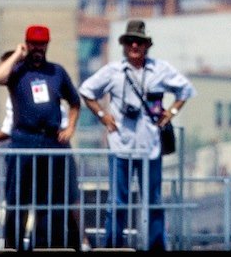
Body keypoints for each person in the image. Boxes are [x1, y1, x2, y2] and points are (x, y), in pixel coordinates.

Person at [79, 19, 195, 251]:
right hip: (120, 145)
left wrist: (171, 112)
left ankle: (155, 246)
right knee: (118, 203)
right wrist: (103, 115)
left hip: (149, 147)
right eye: (130, 42)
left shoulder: (160, 69)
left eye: (139, 42)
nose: (134, 46)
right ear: (124, 45)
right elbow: (86, 91)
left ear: (146, 45)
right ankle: (113, 247)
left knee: (152, 202)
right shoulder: (114, 71)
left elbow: (186, 89)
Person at [0, 25, 81, 250]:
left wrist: (70, 128)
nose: (37, 48)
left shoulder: (57, 72)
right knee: (17, 201)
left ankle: (44, 245)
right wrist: (17, 54)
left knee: (49, 202)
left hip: (51, 142)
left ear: (47, 45)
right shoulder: (18, 70)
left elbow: (75, 102)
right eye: (33, 44)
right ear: (27, 43)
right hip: (23, 140)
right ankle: (13, 246)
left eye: (41, 44)